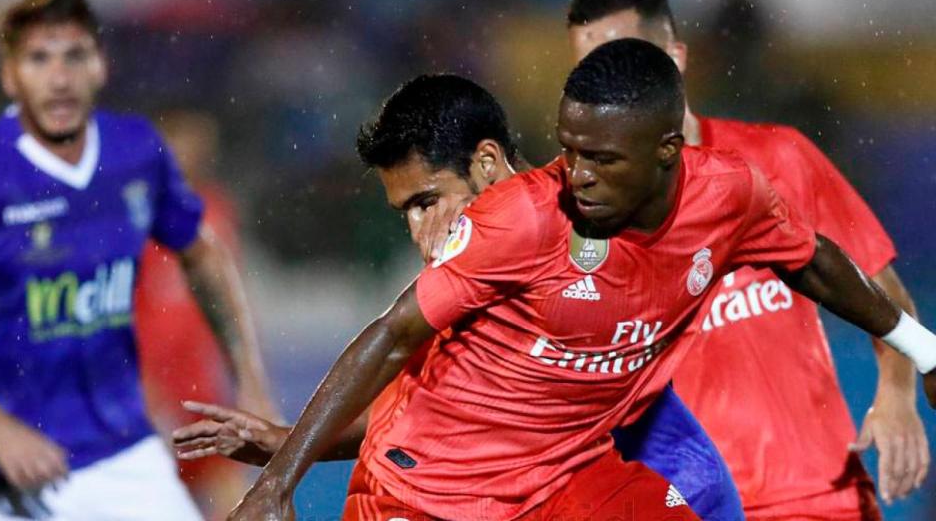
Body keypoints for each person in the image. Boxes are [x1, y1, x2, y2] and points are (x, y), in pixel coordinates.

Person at [227, 39, 936, 520]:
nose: (579, 175)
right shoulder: (521, 221)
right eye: (569, 151)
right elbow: (392, 343)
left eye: (600, 157)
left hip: (565, 482)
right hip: (431, 499)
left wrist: (919, 346)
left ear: (666, 152)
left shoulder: (730, 197)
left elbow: (809, 258)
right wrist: (280, 476)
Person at [173, 76, 743, 520]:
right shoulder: (460, 280)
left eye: (428, 201)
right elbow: (414, 407)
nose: (421, 231)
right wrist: (287, 452)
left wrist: (282, 463)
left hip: (606, 465)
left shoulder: (598, 223)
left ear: (488, 164)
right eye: (407, 214)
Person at [565, 0, 927, 519]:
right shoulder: (578, 221)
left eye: (625, 60)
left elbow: (883, 287)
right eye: (589, 73)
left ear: (676, 58)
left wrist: (897, 397)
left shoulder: (781, 160)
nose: (606, 89)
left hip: (820, 498)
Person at [0, 0, 275, 520]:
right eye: (39, 59)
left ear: (100, 65)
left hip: (122, 456)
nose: (59, 78)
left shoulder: (137, 154)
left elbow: (203, 254)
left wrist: (249, 382)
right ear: (10, 76)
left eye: (74, 56)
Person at [135, 109, 277, 519]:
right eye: (180, 144)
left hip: (201, 390)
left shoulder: (216, 210)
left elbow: (232, 301)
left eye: (198, 146)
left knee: (237, 502)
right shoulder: (136, 218)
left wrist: (249, 379)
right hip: (150, 396)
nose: (190, 156)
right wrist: (141, 386)